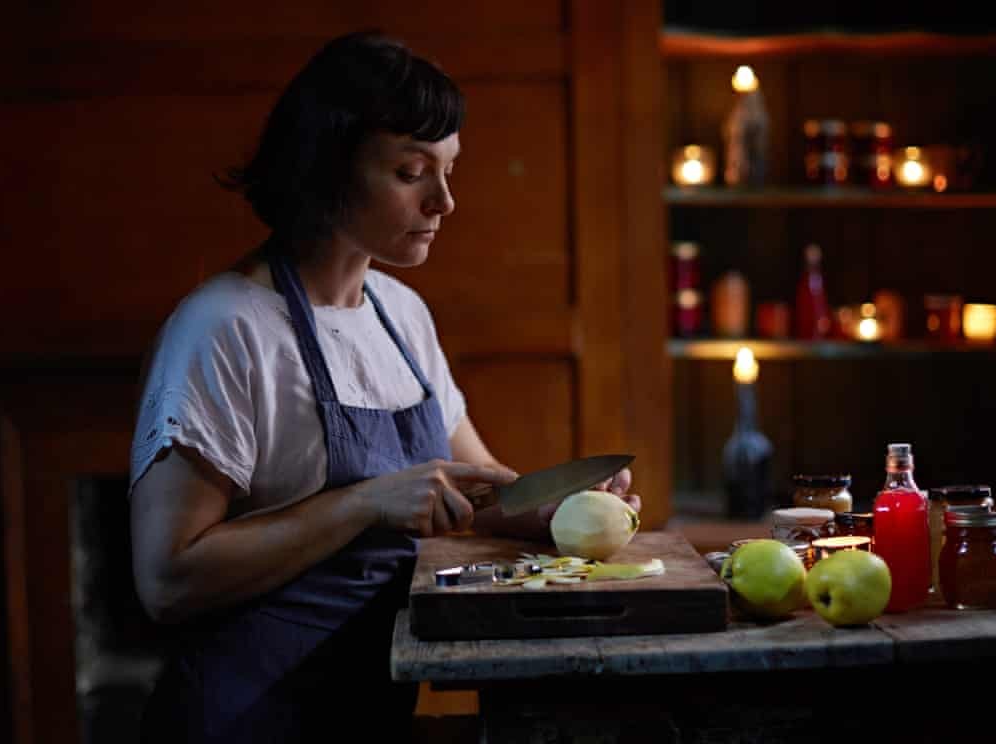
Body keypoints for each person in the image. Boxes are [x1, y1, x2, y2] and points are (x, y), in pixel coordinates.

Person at [127, 32, 640, 743]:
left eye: (450, 171)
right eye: (411, 172)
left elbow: (472, 496)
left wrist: (559, 508)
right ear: (327, 168)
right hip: (247, 716)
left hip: (367, 709)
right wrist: (366, 502)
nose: (445, 202)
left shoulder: (401, 312)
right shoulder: (226, 327)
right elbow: (167, 579)